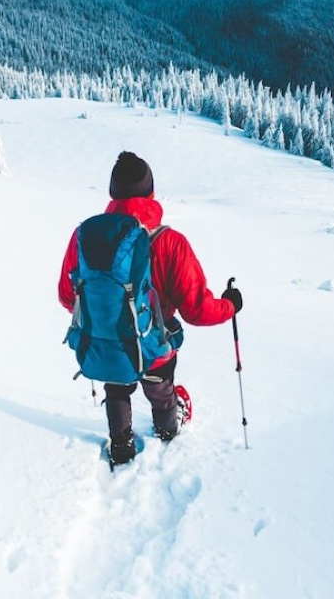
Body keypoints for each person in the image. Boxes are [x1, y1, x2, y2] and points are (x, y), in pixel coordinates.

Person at [58, 151, 243, 465]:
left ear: (112, 194)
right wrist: (231, 305)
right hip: (155, 345)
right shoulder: (170, 242)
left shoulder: (85, 237)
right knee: (160, 386)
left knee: (116, 387)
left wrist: (103, 313)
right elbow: (197, 309)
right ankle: (168, 428)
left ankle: (121, 444)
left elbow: (67, 295)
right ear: (152, 193)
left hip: (107, 343)